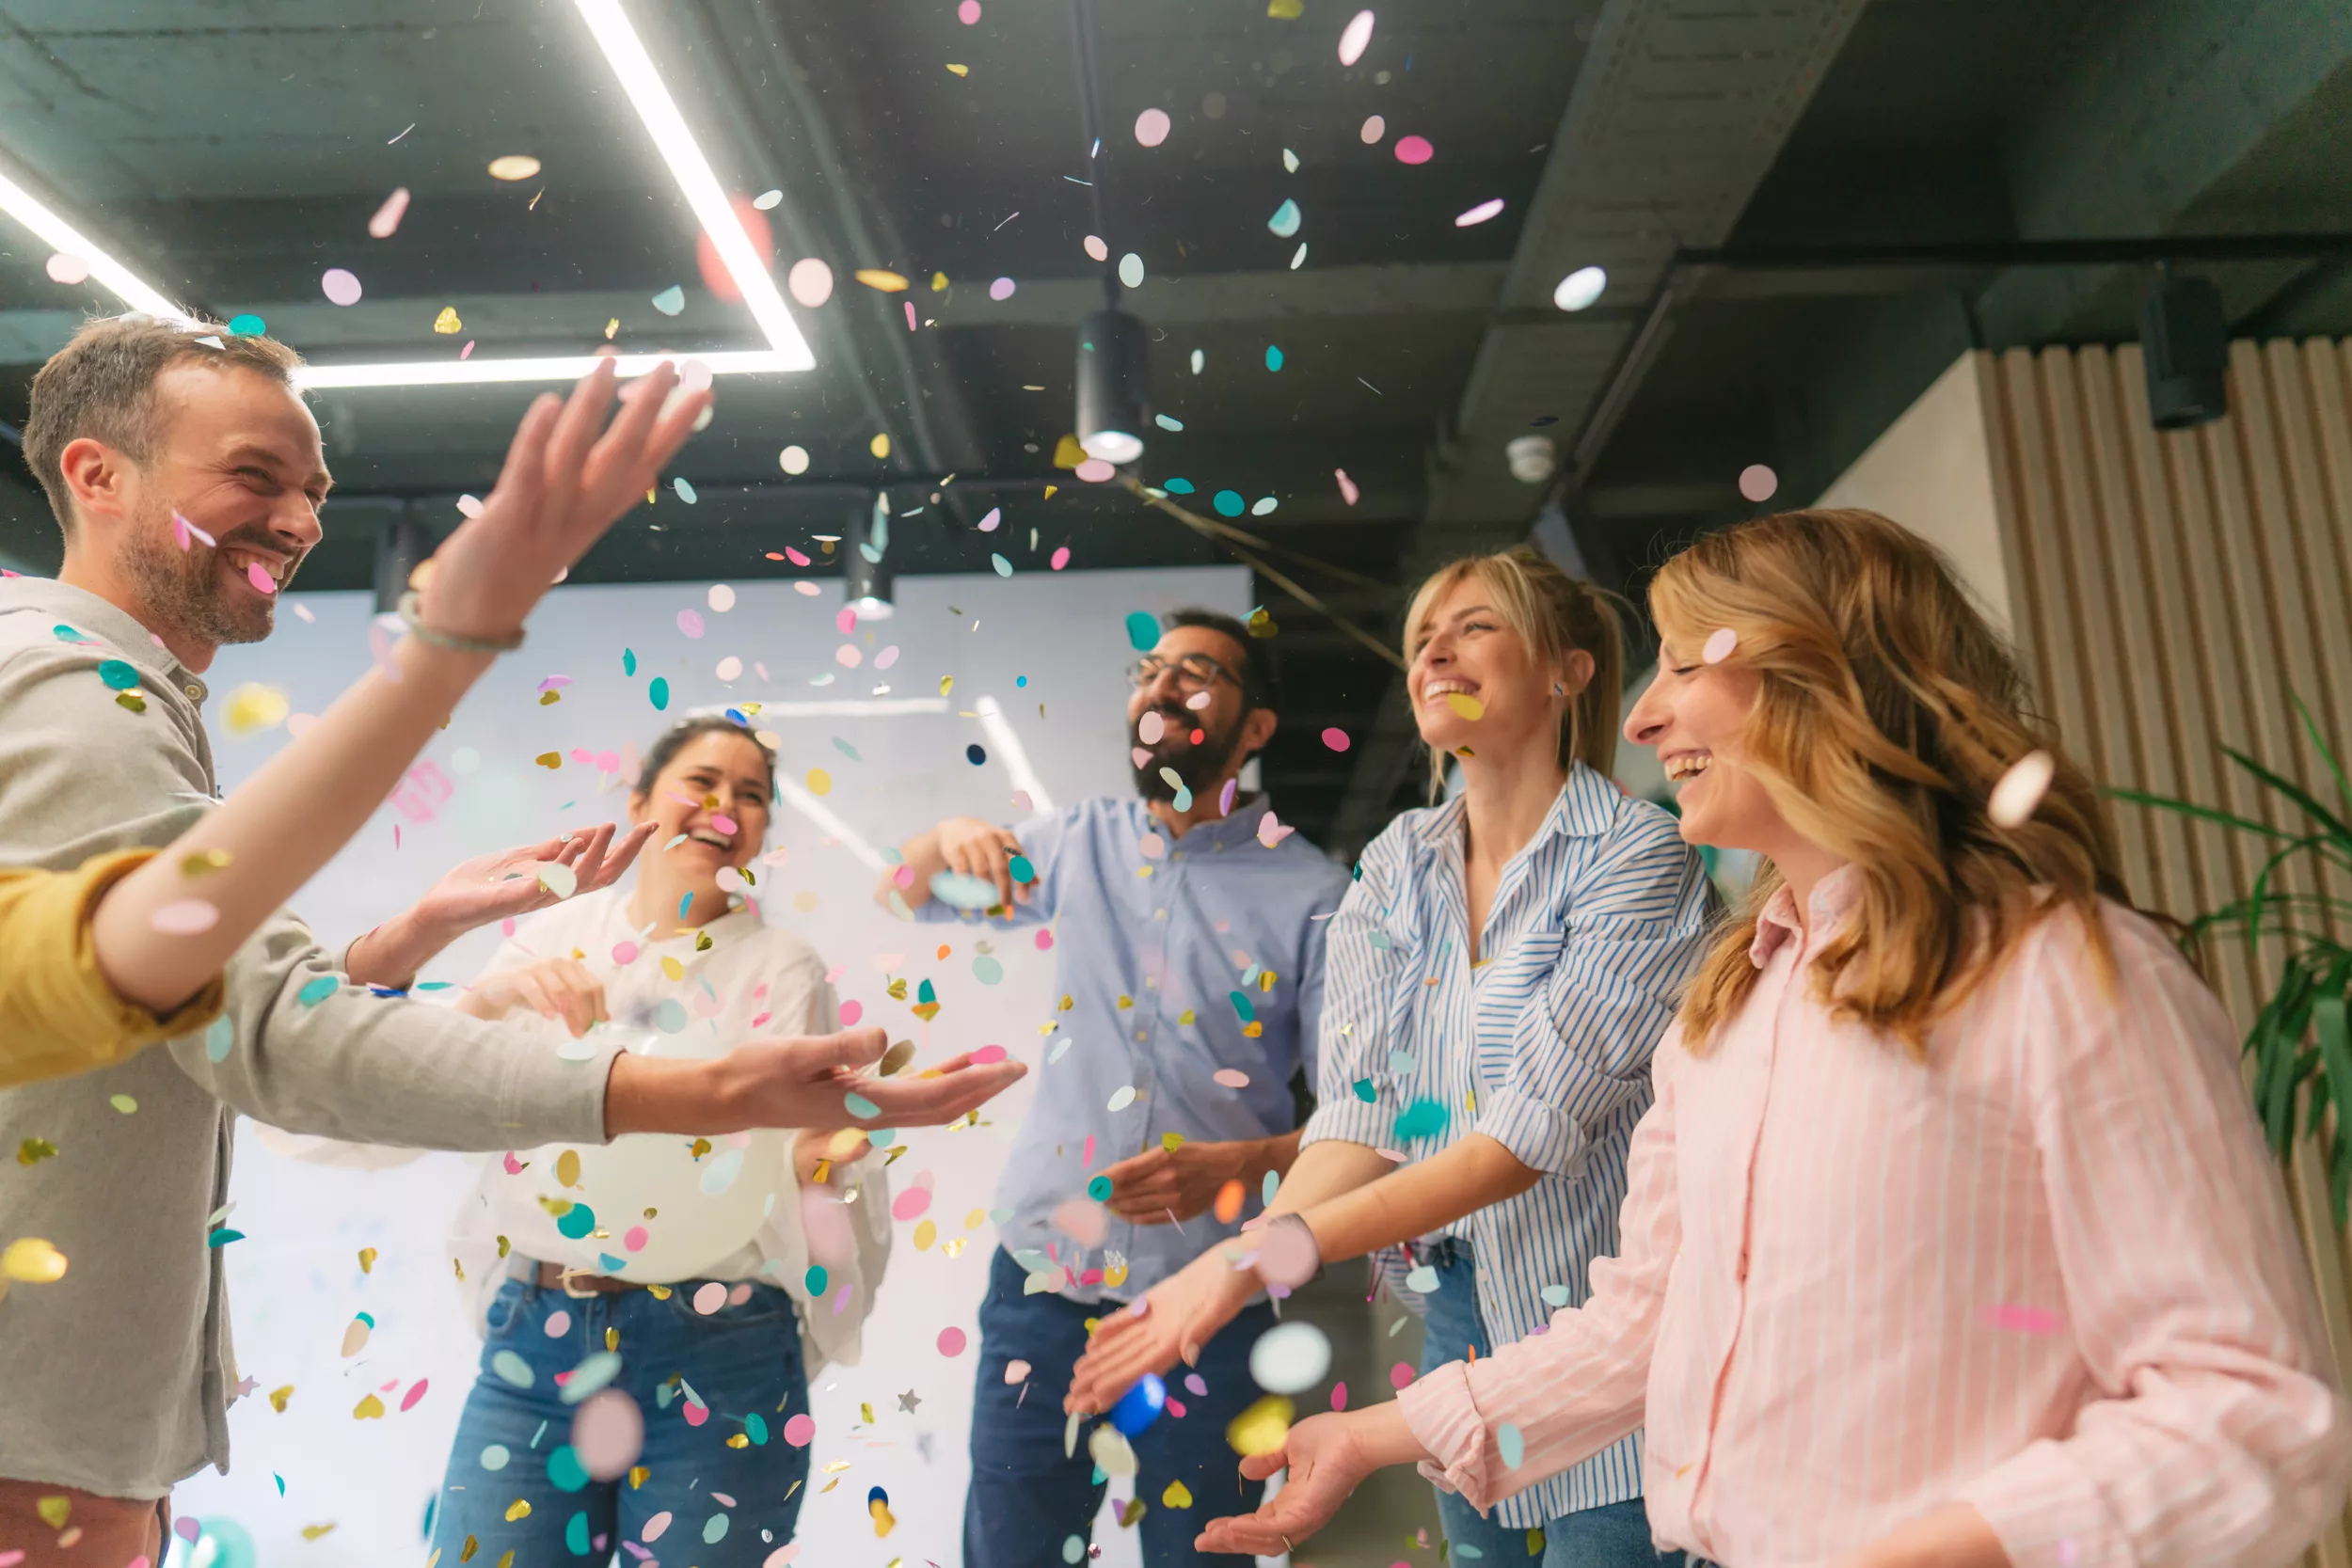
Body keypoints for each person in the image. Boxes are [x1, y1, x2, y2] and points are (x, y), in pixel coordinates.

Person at [0, 315, 1024, 1560]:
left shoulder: (115, 701)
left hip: (71, 1434)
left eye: (314, 488)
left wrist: (420, 923)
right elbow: (273, 1043)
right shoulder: (76, 703)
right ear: (96, 475)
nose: (302, 518)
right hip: (42, 1444)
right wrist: (693, 1085)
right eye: (253, 476)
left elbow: (183, 996)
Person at [1190, 509, 2352, 1568]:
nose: (1643, 716)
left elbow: (2250, 1410)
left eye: (1687, 665)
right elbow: (1643, 1320)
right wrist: (1370, 1432)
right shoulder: (1723, 1015)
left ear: (1828, 679)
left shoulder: (2060, 973)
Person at [1069, 548, 1713, 1566]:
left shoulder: (1637, 854)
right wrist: (1242, 1262)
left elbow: (1518, 1141)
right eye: (1421, 637)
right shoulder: (1395, 862)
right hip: (1458, 1301)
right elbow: (1362, 1117)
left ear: (1568, 670)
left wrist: (1252, 1258)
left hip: (1611, 1317)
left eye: (1473, 626)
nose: (1435, 651)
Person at [881, 610, 1352, 1568]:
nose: (1160, 686)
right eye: (1149, 668)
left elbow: (1363, 1116)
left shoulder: (1315, 892)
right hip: (1040, 1282)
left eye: (1196, 671)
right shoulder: (1074, 843)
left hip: (1205, 1299)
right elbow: (906, 886)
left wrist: (1253, 1159)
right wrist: (949, 831)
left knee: (1203, 1554)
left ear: (1254, 728)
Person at [426, 715, 888, 1565]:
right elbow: (431, 1079)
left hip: (721, 1345)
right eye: (703, 781)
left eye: (751, 796)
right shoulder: (552, 936)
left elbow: (790, 1144)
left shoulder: (783, 965)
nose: (725, 806)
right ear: (640, 801)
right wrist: (491, 1000)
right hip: (542, 1326)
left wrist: (821, 1164)